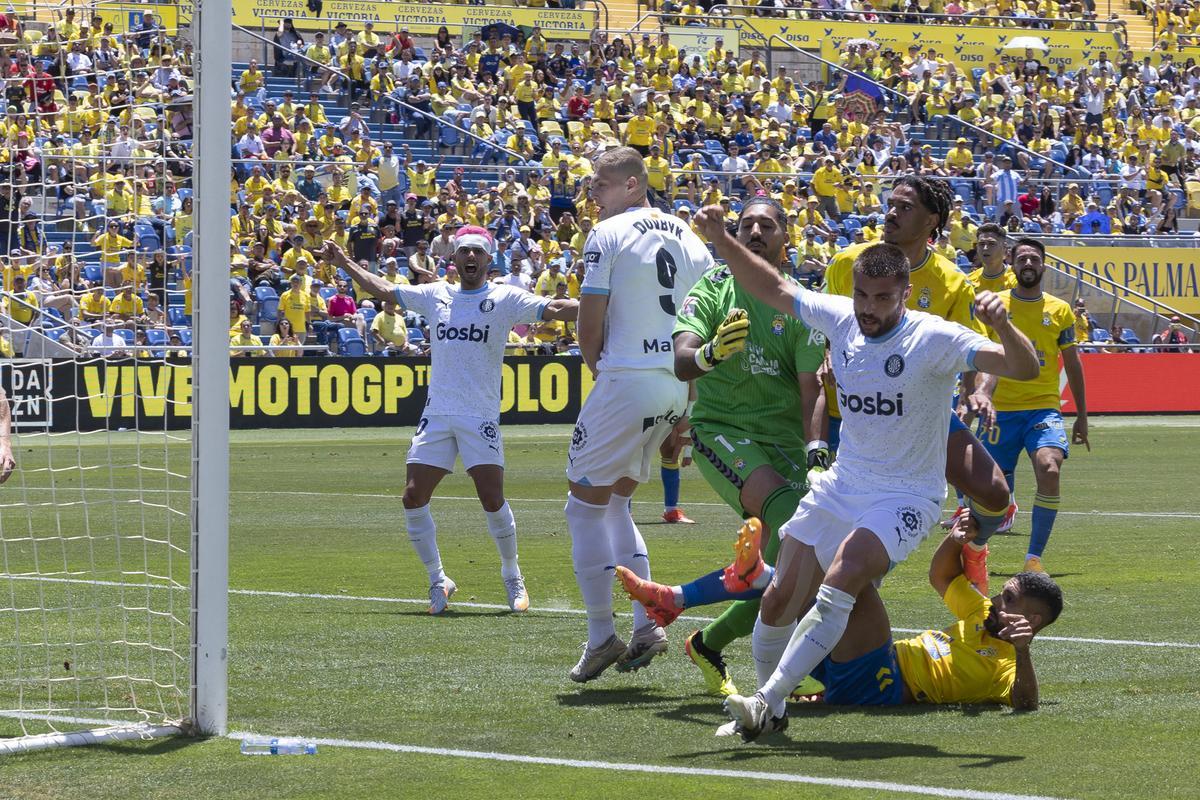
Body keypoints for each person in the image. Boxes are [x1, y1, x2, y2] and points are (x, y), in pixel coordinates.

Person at [691, 204, 1038, 742]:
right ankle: (772, 712)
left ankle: (765, 698)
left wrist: (1003, 325)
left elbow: (1024, 367)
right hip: (843, 483)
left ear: (904, 293)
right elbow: (772, 288)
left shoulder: (934, 337)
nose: (869, 309)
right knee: (781, 596)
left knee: (841, 579)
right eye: (862, 296)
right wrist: (721, 240)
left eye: (883, 298)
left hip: (905, 495)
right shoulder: (838, 317)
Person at [617, 197, 826, 698]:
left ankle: (705, 638)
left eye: (767, 224)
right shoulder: (712, 288)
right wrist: (709, 353)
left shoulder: (800, 303)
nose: (755, 231)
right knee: (786, 514)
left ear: (785, 238)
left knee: (798, 556)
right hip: (721, 432)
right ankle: (772, 669)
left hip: (786, 445)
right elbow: (682, 360)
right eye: (746, 224)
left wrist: (817, 451)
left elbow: (811, 387)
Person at [326, 227, 578, 615]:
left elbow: (558, 309)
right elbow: (384, 290)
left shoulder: (505, 298)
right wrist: (344, 262)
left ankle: (512, 574)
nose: (471, 257)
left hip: (480, 415)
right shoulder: (435, 295)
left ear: (489, 259)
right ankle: (437, 579)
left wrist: (607, 301)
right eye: (465, 252)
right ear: (455, 259)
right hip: (438, 413)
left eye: (478, 251)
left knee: (492, 499)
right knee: (413, 495)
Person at [564, 147, 713, 683]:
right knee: (619, 505)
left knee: (582, 510)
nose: (592, 196)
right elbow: (704, 322)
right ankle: (648, 627)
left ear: (632, 185)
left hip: (626, 378)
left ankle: (602, 635)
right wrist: (687, 412)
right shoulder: (690, 236)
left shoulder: (607, 234)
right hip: (674, 381)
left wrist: (600, 374)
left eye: (600, 186)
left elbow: (591, 316)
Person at [824, 176, 1014, 590]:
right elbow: (821, 331)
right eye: (889, 203)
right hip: (856, 417)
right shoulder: (846, 262)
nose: (890, 213)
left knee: (996, 493)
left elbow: (982, 351)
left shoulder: (951, 282)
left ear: (932, 221)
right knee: (843, 559)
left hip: (922, 418)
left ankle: (970, 546)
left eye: (904, 207)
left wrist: (979, 391)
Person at [702, 514, 1061, 718]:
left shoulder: (1008, 666)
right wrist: (955, 540)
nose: (997, 599)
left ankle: (762, 578)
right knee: (825, 575)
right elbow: (942, 576)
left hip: (883, 682)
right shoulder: (982, 612)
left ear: (1033, 620)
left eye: (1008, 598)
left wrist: (1024, 651)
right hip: (860, 659)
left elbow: (1026, 704)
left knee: (852, 581)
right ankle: (760, 580)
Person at [974, 239, 1088, 576]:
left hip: (1043, 408)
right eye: (1022, 257)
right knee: (989, 491)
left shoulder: (1060, 310)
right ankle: (976, 550)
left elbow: (1073, 364)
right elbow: (986, 357)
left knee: (1050, 468)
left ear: (1043, 265)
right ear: (1011, 263)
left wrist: (1082, 416)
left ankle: (1034, 558)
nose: (1027, 263)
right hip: (1001, 411)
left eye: (1034, 258)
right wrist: (981, 393)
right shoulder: (997, 306)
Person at [966, 223, 1017, 295]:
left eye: (991, 244)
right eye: (982, 244)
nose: (985, 248)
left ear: (1004, 248)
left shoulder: (1016, 279)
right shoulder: (969, 281)